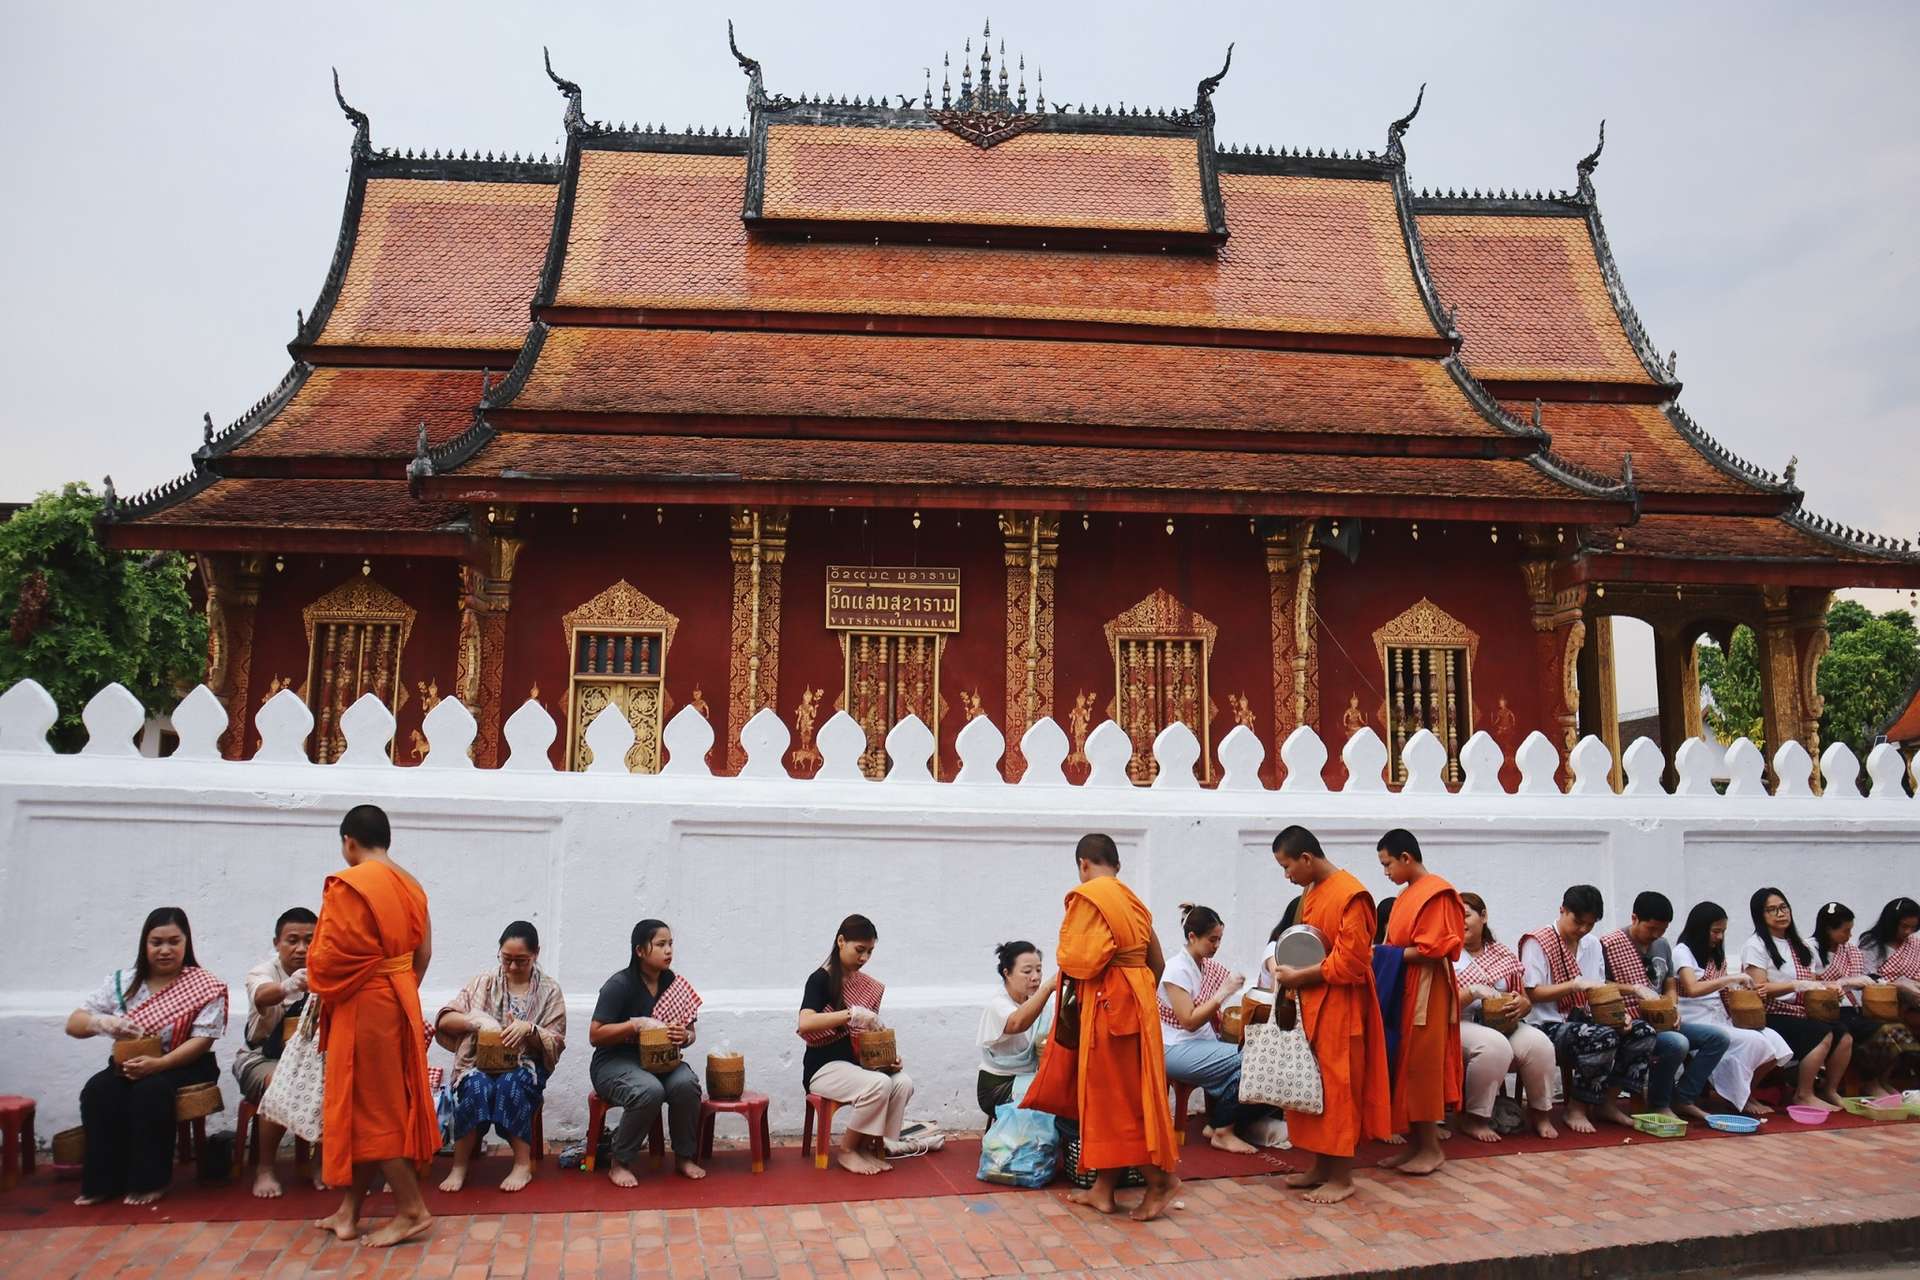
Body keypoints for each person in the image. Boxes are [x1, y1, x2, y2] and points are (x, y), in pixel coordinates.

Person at [1023, 833, 1180, 1220]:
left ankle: (1159, 1181)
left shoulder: (1089, 897)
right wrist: (1137, 994)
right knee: (1111, 1099)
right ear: (1117, 865)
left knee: (1117, 1103)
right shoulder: (1133, 902)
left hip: (1109, 1011)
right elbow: (1156, 962)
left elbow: (1079, 961)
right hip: (1136, 1007)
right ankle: (1103, 1189)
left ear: (1083, 864)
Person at [308, 804, 438, 1249]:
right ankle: (348, 1213)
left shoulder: (350, 884)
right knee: (373, 1106)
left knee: (374, 1109)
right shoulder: (411, 884)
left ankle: (412, 1209)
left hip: (364, 1004)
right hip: (399, 997)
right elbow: (422, 955)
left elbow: (326, 962)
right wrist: (399, 987)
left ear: (349, 841)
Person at [66, 907, 228, 1206]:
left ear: (186, 943)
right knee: (98, 1091)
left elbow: (203, 1039)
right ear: (145, 944)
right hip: (129, 1063)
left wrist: (161, 1064)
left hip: (184, 1063)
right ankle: (102, 1183)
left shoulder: (204, 985)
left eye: (174, 942)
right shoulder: (123, 983)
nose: (165, 950)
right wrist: (101, 1023)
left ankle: (149, 1182)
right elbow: (73, 1023)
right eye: (157, 942)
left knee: (150, 1092)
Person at [1270, 826, 1390, 1205]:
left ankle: (1342, 1176)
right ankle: (1321, 1165)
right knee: (1314, 1084)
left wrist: (1300, 975)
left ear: (1307, 859)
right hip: (1312, 1000)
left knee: (1339, 1088)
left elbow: (1351, 961)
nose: (1286, 876)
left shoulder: (1351, 895)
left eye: (1288, 867)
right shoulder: (1311, 891)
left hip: (1342, 1005)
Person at [435, 921, 568, 1193]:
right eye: (506, 960)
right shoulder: (483, 983)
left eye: (521, 961)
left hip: (525, 1066)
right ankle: (459, 1166)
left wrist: (530, 1030)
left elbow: (556, 1040)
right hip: (478, 1063)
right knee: (475, 1085)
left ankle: (521, 1165)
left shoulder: (549, 991)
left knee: (511, 1084)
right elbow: (446, 1019)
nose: (512, 967)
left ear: (536, 954)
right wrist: (475, 1022)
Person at [1520, 884, 1650, 1134]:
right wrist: (1572, 986)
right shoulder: (1538, 942)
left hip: (1585, 1019)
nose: (1582, 929)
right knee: (1603, 1037)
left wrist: (1616, 1014)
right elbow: (1531, 993)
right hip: (1545, 1024)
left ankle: (1607, 1102)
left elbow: (1598, 989)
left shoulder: (1591, 944)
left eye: (1589, 924)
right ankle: (1576, 1107)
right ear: (1562, 910)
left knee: (1641, 1031)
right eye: (1578, 922)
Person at [1596, 891, 1730, 1124]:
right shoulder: (1609, 944)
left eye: (1662, 930)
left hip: (1660, 1019)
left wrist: (1672, 1007)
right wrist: (1634, 988)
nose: (1656, 935)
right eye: (1651, 929)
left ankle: (1684, 1098)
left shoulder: (1662, 945)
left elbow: (1669, 983)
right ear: (1634, 918)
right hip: (1629, 1022)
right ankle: (1659, 1103)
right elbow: (1599, 985)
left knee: (1718, 1038)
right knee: (1677, 1043)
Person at [589, 919, 706, 1183]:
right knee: (649, 1090)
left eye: (671, 944)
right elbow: (595, 1035)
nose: (669, 951)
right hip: (615, 1061)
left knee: (686, 1084)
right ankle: (619, 1161)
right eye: (661, 944)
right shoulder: (620, 985)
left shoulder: (674, 984)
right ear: (640, 951)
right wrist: (635, 1024)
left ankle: (684, 1157)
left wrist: (684, 1036)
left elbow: (691, 1033)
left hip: (661, 1060)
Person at [798, 914, 915, 1176]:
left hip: (856, 1067)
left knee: (901, 1082)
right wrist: (850, 1014)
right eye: (859, 950)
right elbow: (805, 1023)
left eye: (870, 952)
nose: (864, 958)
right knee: (879, 1084)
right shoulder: (820, 979)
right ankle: (848, 1150)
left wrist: (888, 1059)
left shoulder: (867, 985)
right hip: (823, 1068)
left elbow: (865, 1041)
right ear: (841, 941)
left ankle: (867, 1147)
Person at [1375, 829, 1463, 1176]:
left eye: (1387, 864)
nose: (1386, 872)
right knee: (1403, 1063)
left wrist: (1383, 955)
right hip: (1404, 984)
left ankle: (1432, 1148)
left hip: (1427, 990)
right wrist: (1386, 955)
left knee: (1421, 1066)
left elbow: (1434, 949)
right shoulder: (1406, 894)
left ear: (1406, 858)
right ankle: (1414, 1146)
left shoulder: (1437, 893)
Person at [1157, 904, 1268, 1154]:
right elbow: (1189, 1021)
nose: (1216, 946)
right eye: (1212, 940)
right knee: (1252, 1059)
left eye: (1219, 940)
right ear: (1192, 937)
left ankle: (1219, 1125)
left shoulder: (1203, 965)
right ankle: (1223, 1131)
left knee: (1263, 1060)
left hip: (1198, 1044)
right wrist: (1223, 994)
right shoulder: (1177, 969)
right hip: (1174, 1048)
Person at [1672, 901, 1792, 1117]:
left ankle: (1744, 1093)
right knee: (1754, 1042)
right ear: (1700, 929)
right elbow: (1691, 988)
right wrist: (1729, 979)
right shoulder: (1683, 951)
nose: (1719, 937)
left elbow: (1723, 992)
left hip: (1720, 1017)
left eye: (1723, 932)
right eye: (1715, 931)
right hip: (1694, 1018)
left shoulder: (1715, 954)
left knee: (1775, 1041)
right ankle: (1739, 1097)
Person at [1454, 893, 1557, 1140]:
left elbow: (1524, 997)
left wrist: (1522, 1005)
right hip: (1462, 1021)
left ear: (1484, 915)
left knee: (1540, 1044)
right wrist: (1472, 993)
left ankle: (1540, 1113)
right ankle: (1476, 1118)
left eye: (1466, 915)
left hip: (1506, 1022)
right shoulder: (1448, 955)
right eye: (1454, 917)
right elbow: (1439, 1003)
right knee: (1494, 1047)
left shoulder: (1501, 952)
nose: (1461, 921)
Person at [1740, 887, 1852, 1111]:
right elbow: (1759, 988)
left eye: (1783, 907)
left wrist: (1830, 988)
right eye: (1771, 910)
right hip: (1772, 1013)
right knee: (1821, 1033)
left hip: (1800, 1010)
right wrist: (1795, 985)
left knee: (1844, 1035)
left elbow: (1811, 982)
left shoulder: (1802, 945)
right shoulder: (1756, 945)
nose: (1780, 914)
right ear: (1760, 916)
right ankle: (1803, 1094)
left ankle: (1829, 1090)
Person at [232, 906, 318, 1198]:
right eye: (292, 940)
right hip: (263, 1059)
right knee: (280, 1082)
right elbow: (262, 995)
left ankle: (318, 1163)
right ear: (276, 943)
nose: (301, 948)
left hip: (313, 1059)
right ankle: (265, 1168)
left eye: (310, 940)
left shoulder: (328, 968)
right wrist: (288, 986)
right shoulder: (263, 971)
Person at [1811, 901, 1916, 1098]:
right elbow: (1811, 982)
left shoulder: (1850, 951)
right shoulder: (1810, 949)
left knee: (1895, 1029)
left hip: (1854, 1008)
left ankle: (1881, 1081)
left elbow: (1867, 978)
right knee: (1874, 1032)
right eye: (1845, 930)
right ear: (1827, 928)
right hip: (1828, 1010)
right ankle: (1868, 1083)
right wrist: (1844, 982)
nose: (1850, 936)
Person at [977, 940, 1057, 1121]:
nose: (1035, 977)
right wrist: (1047, 988)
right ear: (1007, 973)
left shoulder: (1040, 1003)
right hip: (998, 1087)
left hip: (1029, 1078)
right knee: (1053, 1093)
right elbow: (1017, 1023)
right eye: (1027, 971)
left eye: (1039, 970)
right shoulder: (998, 1005)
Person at [1859, 897, 1920, 1007]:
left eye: (1913, 927)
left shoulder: (1914, 944)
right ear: (1891, 923)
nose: (1908, 932)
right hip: (1884, 1002)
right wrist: (1899, 985)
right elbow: (1867, 978)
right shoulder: (1871, 943)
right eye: (1904, 926)